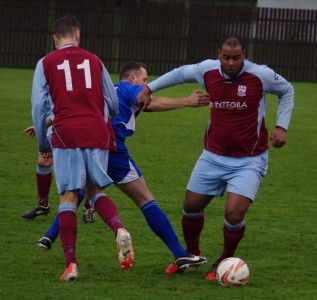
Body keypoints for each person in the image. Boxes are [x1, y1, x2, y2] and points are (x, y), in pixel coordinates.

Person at [137, 34, 295, 280]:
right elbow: (179, 74)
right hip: (213, 155)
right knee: (191, 207)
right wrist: (148, 88)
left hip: (249, 159)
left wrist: (282, 126)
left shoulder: (260, 75)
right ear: (218, 54)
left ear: (244, 55)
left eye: (236, 58)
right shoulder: (207, 70)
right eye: (226, 57)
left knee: (233, 214)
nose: (231, 63)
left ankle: (224, 260)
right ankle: (192, 254)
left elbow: (287, 90)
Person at [37, 61, 210, 275]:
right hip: (112, 147)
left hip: (88, 144)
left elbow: (73, 108)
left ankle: (50, 236)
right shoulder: (128, 88)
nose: (146, 85)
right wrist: (187, 101)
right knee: (145, 199)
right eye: (144, 80)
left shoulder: (102, 89)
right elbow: (148, 102)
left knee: (78, 191)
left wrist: (44, 123)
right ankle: (178, 252)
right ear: (132, 78)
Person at [31, 15, 145, 281]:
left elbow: (39, 107)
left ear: (55, 39)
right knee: (95, 189)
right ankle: (118, 228)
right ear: (78, 36)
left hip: (66, 132)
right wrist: (102, 119)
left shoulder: (45, 63)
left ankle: (71, 264)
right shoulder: (95, 60)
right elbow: (112, 101)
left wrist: (42, 143)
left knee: (69, 195)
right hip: (97, 131)